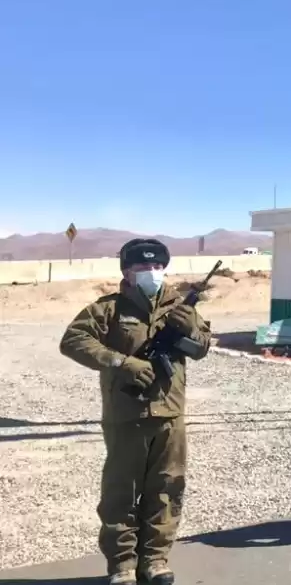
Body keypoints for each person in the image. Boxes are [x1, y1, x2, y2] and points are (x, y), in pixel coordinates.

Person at [59, 239, 213, 585]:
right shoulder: (109, 309)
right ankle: (122, 565)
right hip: (126, 413)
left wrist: (190, 327)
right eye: (143, 268)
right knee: (122, 491)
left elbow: (201, 348)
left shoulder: (179, 306)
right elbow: (73, 340)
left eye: (157, 267)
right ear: (127, 271)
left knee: (167, 487)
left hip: (170, 413)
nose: (152, 273)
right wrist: (121, 363)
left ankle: (155, 560)